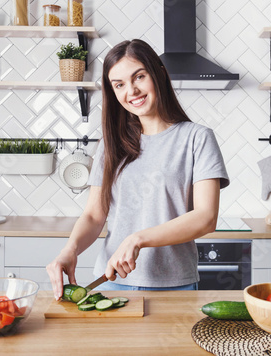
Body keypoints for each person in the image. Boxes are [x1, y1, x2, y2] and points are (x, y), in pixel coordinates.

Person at [46, 39, 229, 299]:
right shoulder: (111, 145)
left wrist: (137, 239)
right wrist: (70, 249)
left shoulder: (197, 138)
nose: (131, 91)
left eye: (139, 77)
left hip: (175, 286)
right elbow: (94, 216)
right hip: (111, 282)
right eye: (119, 85)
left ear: (159, 73)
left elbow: (206, 217)